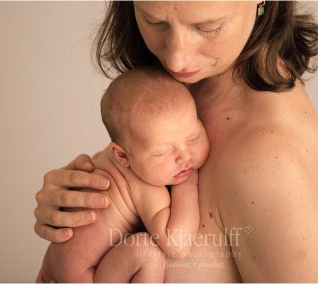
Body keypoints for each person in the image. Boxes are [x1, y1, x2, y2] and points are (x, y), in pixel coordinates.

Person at [34, 1, 318, 281]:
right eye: (154, 22)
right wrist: (74, 207)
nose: (176, 58)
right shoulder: (179, 87)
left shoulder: (273, 157)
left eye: (208, 27)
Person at [38, 67, 210, 282]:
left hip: (55, 264)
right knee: (147, 251)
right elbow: (177, 245)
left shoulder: (103, 159)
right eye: (163, 152)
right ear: (122, 156)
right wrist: (189, 183)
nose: (185, 157)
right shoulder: (146, 185)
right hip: (87, 276)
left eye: (193, 137)